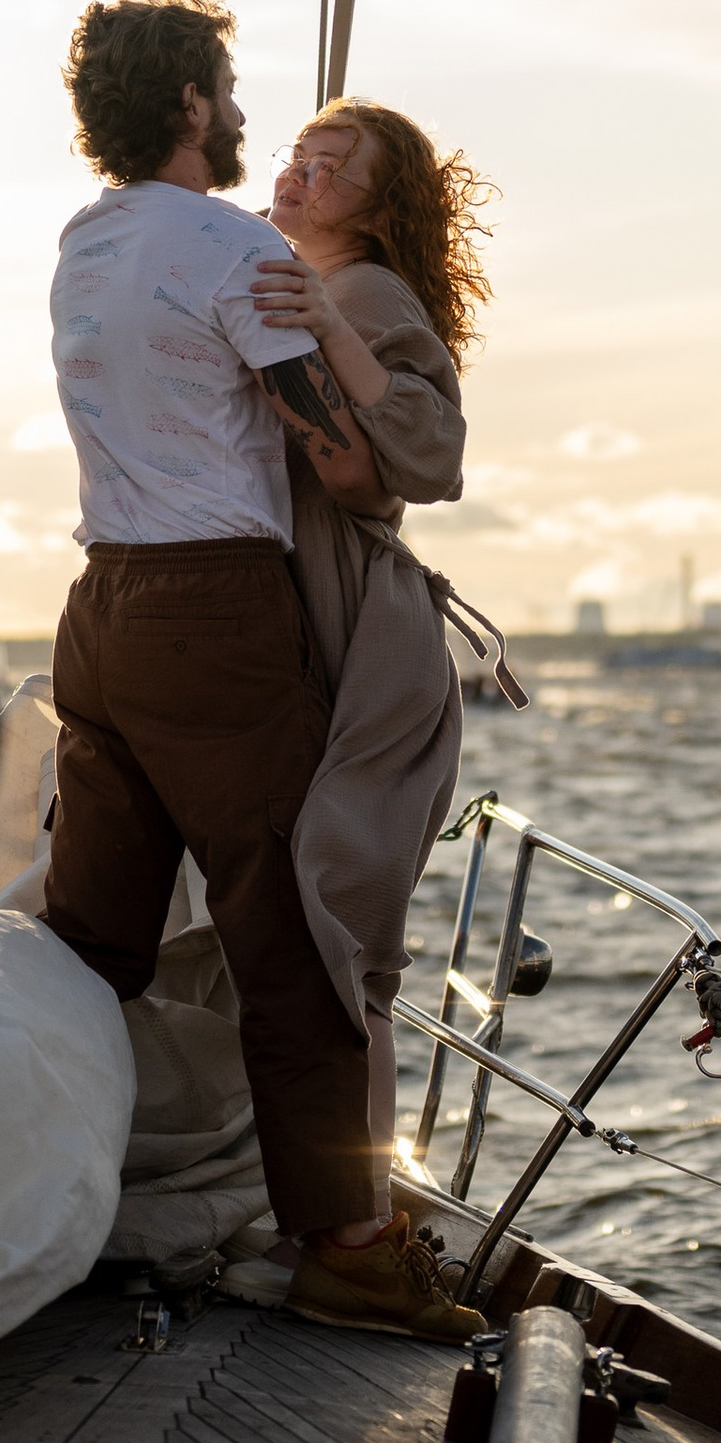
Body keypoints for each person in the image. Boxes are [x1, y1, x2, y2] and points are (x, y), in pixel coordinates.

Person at [39, 0, 482, 1343]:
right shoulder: (235, 251)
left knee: (90, 941)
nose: (249, 123)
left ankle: (41, 1195)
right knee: (299, 948)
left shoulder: (82, 241)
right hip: (214, 616)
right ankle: (351, 1249)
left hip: (98, 607)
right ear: (189, 106)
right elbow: (349, 462)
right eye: (231, 94)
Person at [247, 99, 499, 1210]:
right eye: (299, 156)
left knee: (347, 950)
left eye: (331, 168)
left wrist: (319, 325)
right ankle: (338, 1209)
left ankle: (362, 1216)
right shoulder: (302, 281)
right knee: (330, 940)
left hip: (363, 631)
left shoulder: (362, 294)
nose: (300, 176)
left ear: (380, 208)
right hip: (322, 618)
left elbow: (415, 459)